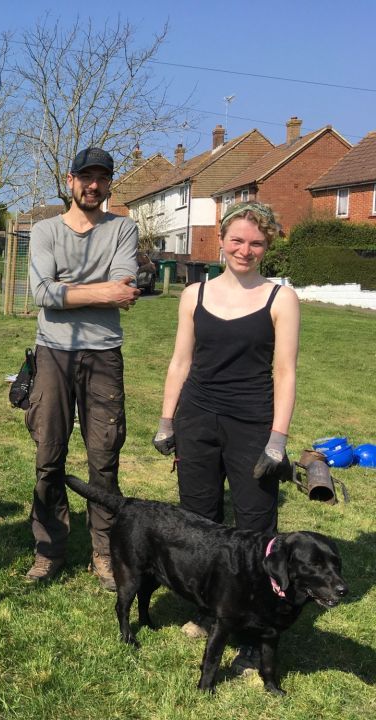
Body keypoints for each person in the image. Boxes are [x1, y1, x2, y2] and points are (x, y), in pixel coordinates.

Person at [152, 201, 299, 664]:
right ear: (221, 240)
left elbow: (285, 372)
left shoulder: (281, 299)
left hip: (252, 421)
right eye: (237, 240)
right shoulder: (193, 295)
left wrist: (277, 440)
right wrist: (166, 420)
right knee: (199, 518)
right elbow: (181, 361)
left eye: (256, 243)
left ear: (267, 247)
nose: (245, 250)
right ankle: (208, 609)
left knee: (256, 525)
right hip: (198, 417)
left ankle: (257, 623)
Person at [24, 147, 140, 591]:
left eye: (102, 178)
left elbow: (124, 288)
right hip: (53, 353)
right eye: (86, 177)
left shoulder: (124, 229)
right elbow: (42, 293)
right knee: (48, 456)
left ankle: (105, 553)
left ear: (109, 184)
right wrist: (102, 292)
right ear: (70, 181)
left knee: (104, 458)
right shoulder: (44, 230)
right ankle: (48, 550)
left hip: (104, 353)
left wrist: (69, 289)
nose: (93, 185)